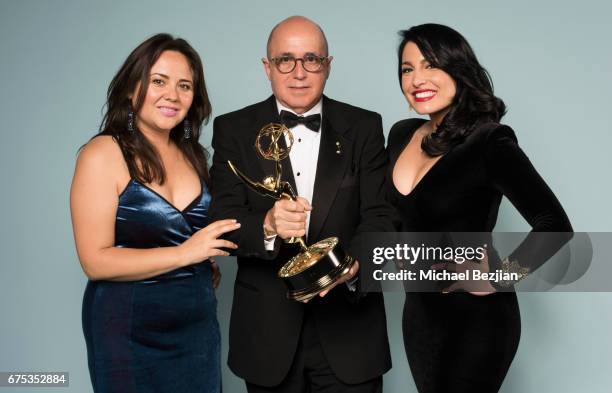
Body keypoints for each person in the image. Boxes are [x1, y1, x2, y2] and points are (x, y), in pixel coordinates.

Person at [209, 16, 397, 393]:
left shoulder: (364, 126)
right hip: (266, 338)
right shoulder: (232, 129)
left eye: (311, 59)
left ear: (328, 66)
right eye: (285, 60)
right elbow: (222, 221)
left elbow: (381, 215)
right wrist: (266, 225)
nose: (299, 72)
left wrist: (355, 265)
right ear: (267, 67)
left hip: (350, 331)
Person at [386, 23, 573, 393]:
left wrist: (503, 275)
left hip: (476, 321)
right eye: (408, 69)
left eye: (431, 65)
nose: (417, 78)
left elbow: (554, 224)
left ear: (459, 70)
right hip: (420, 318)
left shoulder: (488, 140)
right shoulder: (401, 134)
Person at [70, 33, 239, 393]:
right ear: (132, 88)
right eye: (158, 81)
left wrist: (202, 259)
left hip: (197, 330)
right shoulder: (102, 154)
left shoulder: (195, 156)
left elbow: (190, 234)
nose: (172, 95)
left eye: (185, 85)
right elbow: (94, 261)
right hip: (128, 330)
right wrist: (184, 253)